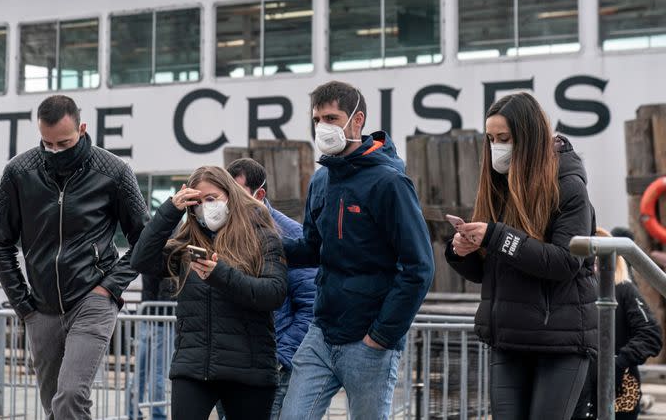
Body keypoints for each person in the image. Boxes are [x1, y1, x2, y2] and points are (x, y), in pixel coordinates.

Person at [280, 80, 434, 420]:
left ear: (357, 120)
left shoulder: (389, 183)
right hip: (321, 333)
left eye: (332, 118)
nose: (323, 127)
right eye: (317, 119)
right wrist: (266, 247)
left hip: (368, 341)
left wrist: (381, 336)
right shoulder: (321, 181)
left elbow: (419, 267)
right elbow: (311, 248)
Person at [0, 94, 149, 419]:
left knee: (71, 396)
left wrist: (110, 287)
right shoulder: (19, 173)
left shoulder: (114, 173)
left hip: (92, 299)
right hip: (41, 309)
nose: (55, 151)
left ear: (82, 128)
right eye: (47, 144)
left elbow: (144, 239)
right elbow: (0, 245)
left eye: (64, 143)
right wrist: (24, 307)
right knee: (53, 407)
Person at [445, 92, 597, 420]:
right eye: (490, 139)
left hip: (561, 343)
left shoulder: (569, 185)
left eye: (504, 138)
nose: (496, 146)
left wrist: (497, 236)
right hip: (509, 339)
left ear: (528, 138)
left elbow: (565, 261)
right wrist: (462, 251)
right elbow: (490, 271)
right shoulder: (498, 187)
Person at [129, 166, 288, 420]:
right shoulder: (186, 244)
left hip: (248, 369)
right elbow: (140, 260)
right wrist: (170, 210)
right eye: (197, 202)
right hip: (193, 367)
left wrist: (220, 275)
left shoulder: (262, 237)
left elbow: (273, 293)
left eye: (212, 198)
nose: (205, 207)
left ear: (230, 196)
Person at [226, 158, 317, 419]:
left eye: (236, 193)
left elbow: (311, 306)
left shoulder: (290, 236)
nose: (229, 202)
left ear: (259, 194)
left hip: (270, 364)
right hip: (230, 363)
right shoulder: (221, 231)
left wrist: (280, 357)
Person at [572, 228, 663, 420]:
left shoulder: (624, 289)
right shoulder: (571, 292)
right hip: (578, 388)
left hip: (619, 389)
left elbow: (651, 334)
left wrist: (618, 363)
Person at [130, 273, 174, 420]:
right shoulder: (168, 254)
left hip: (146, 315)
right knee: (158, 372)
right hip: (161, 318)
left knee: (140, 371)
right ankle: (158, 415)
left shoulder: (149, 252)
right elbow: (166, 289)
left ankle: (133, 412)